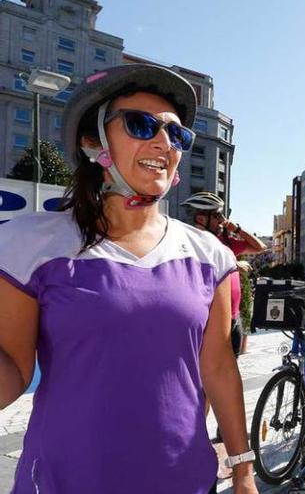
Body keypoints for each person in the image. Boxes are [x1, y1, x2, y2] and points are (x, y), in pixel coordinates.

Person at [0, 64, 257, 493]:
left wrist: (244, 471)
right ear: (92, 141)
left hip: (184, 480)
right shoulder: (31, 244)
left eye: (177, 135)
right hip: (67, 480)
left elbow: (217, 366)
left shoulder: (209, 254)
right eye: (141, 125)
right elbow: (13, 367)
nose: (163, 142)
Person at [181, 191, 266, 357]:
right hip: (212, 321)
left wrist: (235, 228)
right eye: (217, 215)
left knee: (232, 366)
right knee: (209, 373)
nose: (222, 220)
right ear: (201, 218)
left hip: (234, 318)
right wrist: (234, 264)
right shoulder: (190, 243)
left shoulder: (225, 241)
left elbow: (260, 247)